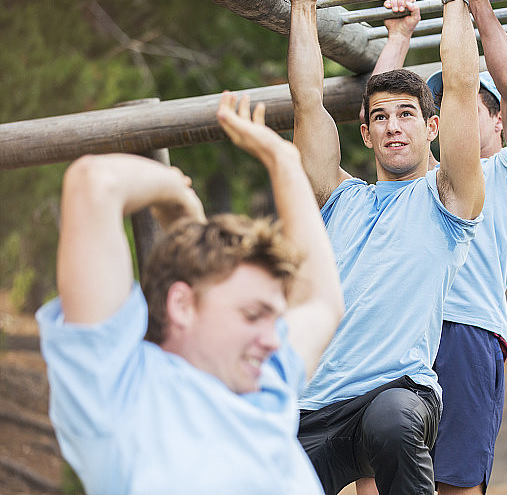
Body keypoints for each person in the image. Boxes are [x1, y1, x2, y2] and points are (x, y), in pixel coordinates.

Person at [36, 92, 344, 495]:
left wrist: (283, 161)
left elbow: (322, 301)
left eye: (273, 316)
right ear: (181, 304)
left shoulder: (264, 384)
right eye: (253, 315)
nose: (274, 338)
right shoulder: (118, 392)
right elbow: (93, 184)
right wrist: (174, 191)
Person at [279, 0, 484, 493]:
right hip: (315, 403)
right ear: (366, 134)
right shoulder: (339, 197)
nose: (393, 125)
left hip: (396, 393)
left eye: (407, 114)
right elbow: (307, 101)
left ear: (431, 127)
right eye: (381, 117)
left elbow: (461, 88)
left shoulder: (447, 198)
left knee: (392, 425)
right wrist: (303, 4)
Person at [354, 0, 507, 493]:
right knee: (373, 480)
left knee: (456, 483)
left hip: (464, 331)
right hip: (397, 328)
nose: (457, 112)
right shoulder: (421, 184)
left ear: (499, 122)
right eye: (444, 107)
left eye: (473, 106)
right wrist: (397, 39)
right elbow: (378, 111)